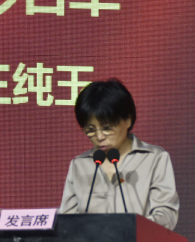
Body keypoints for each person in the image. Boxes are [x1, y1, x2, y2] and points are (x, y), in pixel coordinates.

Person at [59, 79, 179, 231]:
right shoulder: (79, 165)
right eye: (91, 129)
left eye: (107, 128)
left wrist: (131, 229)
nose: (99, 137)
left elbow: (166, 215)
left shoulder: (155, 159)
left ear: (128, 120)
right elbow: (67, 220)